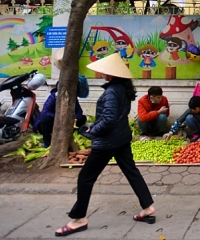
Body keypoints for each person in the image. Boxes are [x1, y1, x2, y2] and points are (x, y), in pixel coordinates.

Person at [55, 53, 155, 237]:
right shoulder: (123, 89)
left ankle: (79, 219)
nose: (101, 74)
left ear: (110, 74)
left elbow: (108, 118)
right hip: (122, 138)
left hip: (108, 142)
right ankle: (148, 207)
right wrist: (93, 127)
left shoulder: (111, 92)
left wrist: (93, 131)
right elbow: (115, 117)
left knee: (85, 178)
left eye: (103, 72)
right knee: (132, 172)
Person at [35, 49, 88, 147]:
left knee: (83, 118)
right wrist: (59, 117)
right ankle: (47, 142)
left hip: (66, 122)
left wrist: (75, 118)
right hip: (53, 121)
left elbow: (79, 111)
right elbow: (45, 111)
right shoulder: (53, 97)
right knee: (45, 120)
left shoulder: (72, 98)